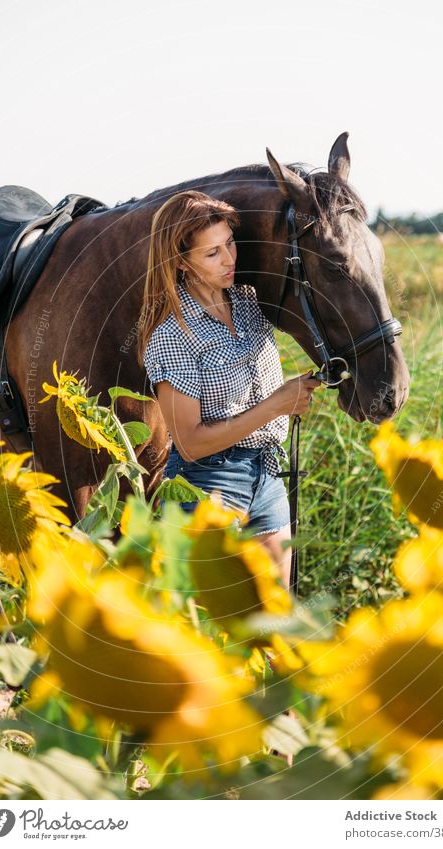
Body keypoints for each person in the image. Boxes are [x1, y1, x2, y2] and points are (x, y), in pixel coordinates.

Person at [137, 190, 321, 588]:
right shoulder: (172, 336)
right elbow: (189, 443)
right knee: (211, 634)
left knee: (269, 626)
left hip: (267, 477)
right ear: (182, 262)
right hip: (206, 487)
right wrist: (276, 405)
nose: (230, 259)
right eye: (212, 253)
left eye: (230, 243)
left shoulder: (250, 302)